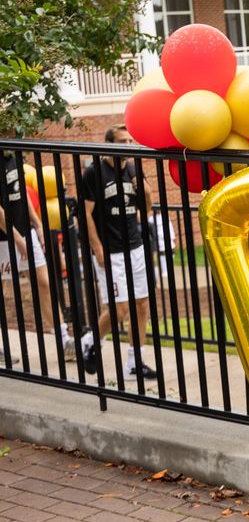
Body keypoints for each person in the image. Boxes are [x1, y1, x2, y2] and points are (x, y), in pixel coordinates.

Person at [79, 125, 156, 380]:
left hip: (134, 246)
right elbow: (84, 214)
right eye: (123, 141)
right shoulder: (94, 173)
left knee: (141, 303)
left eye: (130, 140)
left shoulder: (133, 168)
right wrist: (97, 247)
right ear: (109, 143)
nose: (128, 145)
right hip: (109, 251)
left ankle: (135, 362)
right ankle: (92, 340)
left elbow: (146, 209)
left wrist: (145, 191)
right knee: (119, 310)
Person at [0, 151, 74, 363]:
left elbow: (21, 192)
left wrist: (38, 223)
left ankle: (64, 339)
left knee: (44, 283)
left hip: (25, 230)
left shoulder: (12, 157)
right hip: (4, 237)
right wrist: (17, 240)